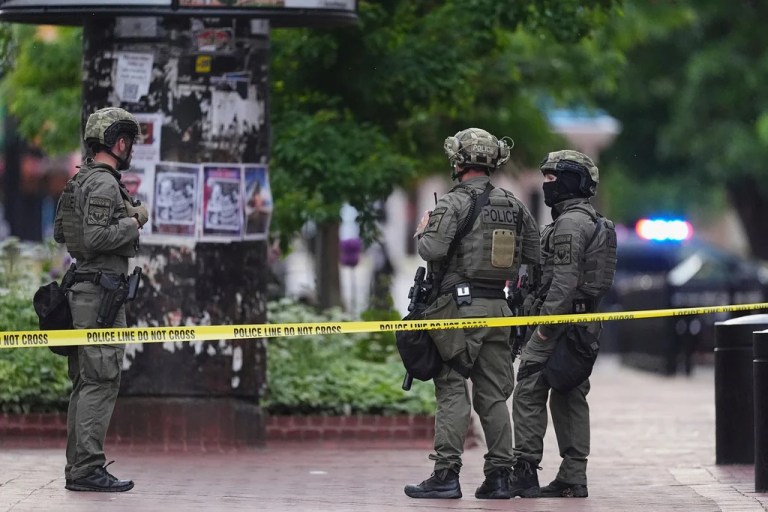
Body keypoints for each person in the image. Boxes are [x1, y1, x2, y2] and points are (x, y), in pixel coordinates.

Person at [404, 127, 541, 500]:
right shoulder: (513, 204)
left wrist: (422, 230)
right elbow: (534, 255)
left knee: (451, 388)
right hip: (500, 308)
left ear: (458, 161)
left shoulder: (452, 203)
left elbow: (431, 249)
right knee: (494, 396)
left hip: (459, 312)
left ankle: (446, 474)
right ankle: (499, 477)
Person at [509, 150, 616, 498]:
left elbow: (564, 282)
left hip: (558, 324)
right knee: (570, 394)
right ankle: (573, 475)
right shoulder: (590, 220)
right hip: (581, 325)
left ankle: (524, 470)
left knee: (528, 388)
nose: (547, 184)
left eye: (554, 178)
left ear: (572, 181)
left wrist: (542, 328)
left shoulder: (570, 224)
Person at [53, 107, 148, 492]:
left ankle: (79, 467)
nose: (130, 150)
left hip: (83, 291)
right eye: (129, 143)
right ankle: (87, 468)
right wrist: (135, 219)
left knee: (86, 381)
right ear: (118, 142)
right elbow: (95, 239)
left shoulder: (80, 181)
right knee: (101, 380)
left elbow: (63, 232)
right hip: (99, 298)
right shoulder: (106, 185)